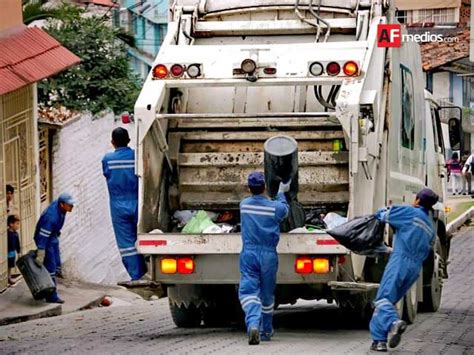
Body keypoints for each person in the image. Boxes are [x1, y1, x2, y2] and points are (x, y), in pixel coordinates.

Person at [369, 188, 439, 352]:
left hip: (400, 260)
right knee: (388, 301)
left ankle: (394, 323)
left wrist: (380, 211)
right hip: (415, 269)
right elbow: (428, 249)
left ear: (417, 200)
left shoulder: (409, 213)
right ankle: (379, 341)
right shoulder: (430, 227)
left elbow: (383, 215)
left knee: (383, 299)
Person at [238, 171, 290, 345]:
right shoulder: (275, 207)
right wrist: (282, 193)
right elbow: (285, 211)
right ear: (265, 186)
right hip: (268, 254)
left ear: (249, 188)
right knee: (267, 294)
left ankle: (253, 323)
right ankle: (266, 330)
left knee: (248, 291)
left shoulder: (244, 205)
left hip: (249, 253)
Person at [102, 127, 146, 281]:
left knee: (126, 244)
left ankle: (137, 276)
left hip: (118, 206)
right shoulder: (136, 156)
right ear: (128, 141)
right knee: (144, 237)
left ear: (112, 142)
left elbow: (107, 175)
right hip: (138, 202)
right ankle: (149, 270)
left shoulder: (107, 159)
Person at [34, 192, 75, 303]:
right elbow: (42, 235)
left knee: (56, 265)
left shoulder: (61, 209)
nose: (72, 206)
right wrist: (41, 251)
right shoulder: (51, 217)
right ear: (62, 204)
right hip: (46, 240)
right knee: (50, 268)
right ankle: (51, 296)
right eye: (69, 204)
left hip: (53, 237)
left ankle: (47, 289)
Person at [7, 214, 21, 285]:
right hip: (7, 252)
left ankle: (9, 278)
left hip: (12, 252)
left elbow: (18, 244)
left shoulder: (16, 234)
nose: (18, 225)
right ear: (11, 224)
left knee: (10, 266)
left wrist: (18, 253)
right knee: (6, 265)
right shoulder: (7, 234)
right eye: (17, 224)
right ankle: (7, 278)